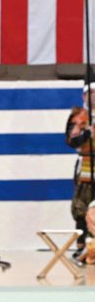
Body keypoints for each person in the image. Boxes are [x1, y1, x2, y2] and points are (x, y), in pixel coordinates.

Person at [66, 83, 95, 256]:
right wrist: (87, 134)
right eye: (90, 93)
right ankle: (82, 244)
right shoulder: (78, 116)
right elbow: (71, 141)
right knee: (81, 208)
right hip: (85, 167)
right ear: (84, 96)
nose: (93, 96)